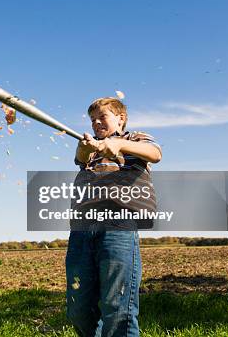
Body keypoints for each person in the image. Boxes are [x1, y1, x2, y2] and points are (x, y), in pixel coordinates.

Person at [66, 97, 161, 337]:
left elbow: (155, 153)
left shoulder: (134, 139)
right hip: (82, 227)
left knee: (118, 307)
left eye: (102, 117)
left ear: (120, 118)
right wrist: (88, 147)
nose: (96, 123)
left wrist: (118, 144)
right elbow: (80, 156)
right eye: (92, 120)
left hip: (118, 224)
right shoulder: (92, 148)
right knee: (78, 308)